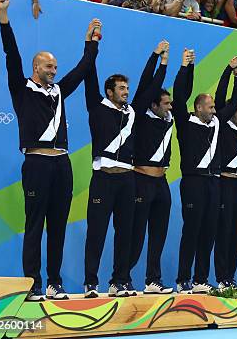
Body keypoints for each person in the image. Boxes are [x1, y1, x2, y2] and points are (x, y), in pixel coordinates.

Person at [0, 0, 100, 301]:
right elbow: (10, 54)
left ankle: (55, 284)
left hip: (62, 165)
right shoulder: (22, 88)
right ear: (35, 66)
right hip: (37, 164)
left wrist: (91, 41)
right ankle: (33, 285)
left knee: (58, 227)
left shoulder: (58, 91)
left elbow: (82, 70)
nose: (54, 70)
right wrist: (4, 16)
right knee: (34, 225)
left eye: (55, 67)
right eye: (49, 66)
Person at [82, 39, 168, 299]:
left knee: (126, 233)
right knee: (96, 232)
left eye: (126, 88)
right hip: (103, 179)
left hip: (127, 180)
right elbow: (89, 74)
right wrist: (92, 44)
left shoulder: (133, 112)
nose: (126, 92)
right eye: (121, 88)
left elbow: (150, 85)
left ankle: (119, 281)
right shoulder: (96, 107)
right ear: (109, 91)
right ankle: (90, 283)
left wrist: (159, 60)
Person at [174, 49, 237, 293]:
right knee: (191, 231)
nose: (214, 110)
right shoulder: (184, 121)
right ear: (199, 107)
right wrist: (185, 67)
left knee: (209, 232)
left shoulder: (216, 122)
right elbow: (179, 96)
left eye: (214, 107)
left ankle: (201, 279)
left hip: (215, 183)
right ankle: (183, 279)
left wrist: (234, 73)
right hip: (193, 182)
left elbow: (234, 101)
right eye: (210, 107)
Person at [128, 41, 174, 295]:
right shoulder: (139, 114)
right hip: (141, 180)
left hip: (162, 183)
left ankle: (153, 280)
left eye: (169, 103)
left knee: (159, 234)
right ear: (153, 105)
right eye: (165, 103)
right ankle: (122, 278)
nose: (169, 106)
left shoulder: (169, 118)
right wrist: (157, 58)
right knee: (136, 235)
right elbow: (148, 84)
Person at [213, 57, 237, 289]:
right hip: (224, 184)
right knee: (224, 232)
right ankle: (221, 277)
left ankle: (231, 276)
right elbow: (221, 95)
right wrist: (230, 72)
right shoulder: (222, 122)